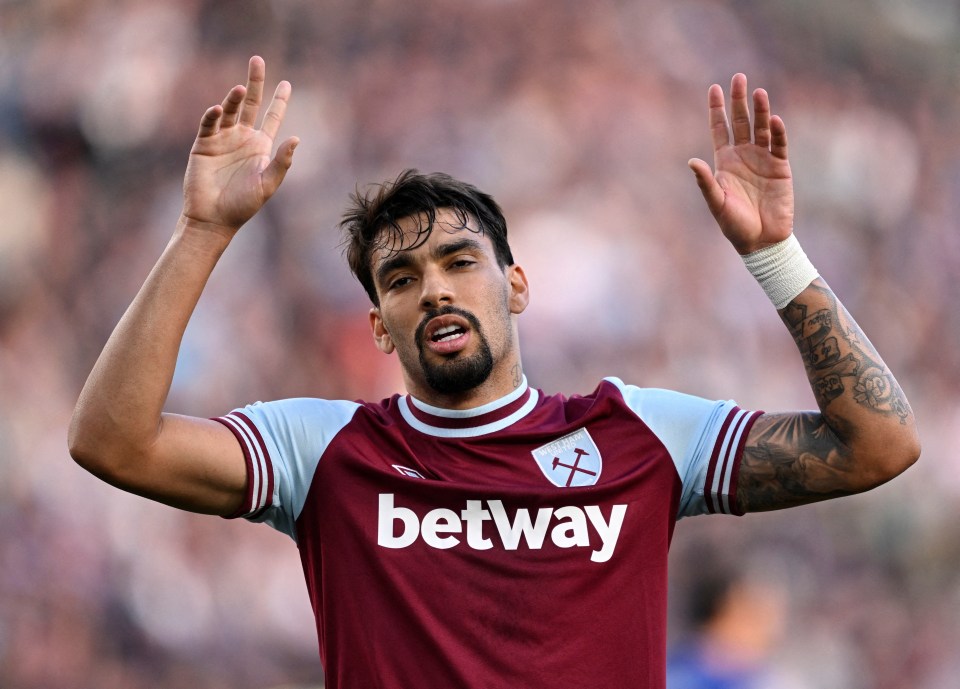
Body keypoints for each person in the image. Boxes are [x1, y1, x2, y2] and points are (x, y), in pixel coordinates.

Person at [68, 56, 920, 688]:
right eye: (400, 279)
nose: (433, 286)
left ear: (515, 283)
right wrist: (203, 231)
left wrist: (774, 256)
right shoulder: (323, 451)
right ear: (378, 325)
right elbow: (113, 441)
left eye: (459, 261)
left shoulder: (642, 435)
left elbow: (878, 445)